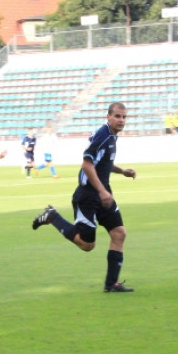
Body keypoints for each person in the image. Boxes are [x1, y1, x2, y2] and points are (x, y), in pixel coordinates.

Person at [31, 102, 136, 293]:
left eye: (124, 117)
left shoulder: (112, 137)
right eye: (118, 116)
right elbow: (87, 165)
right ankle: (52, 216)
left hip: (103, 193)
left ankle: (111, 284)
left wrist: (122, 172)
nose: (121, 120)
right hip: (88, 196)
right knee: (87, 245)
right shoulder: (102, 136)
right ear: (108, 117)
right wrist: (102, 191)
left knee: (119, 233)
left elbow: (103, 162)